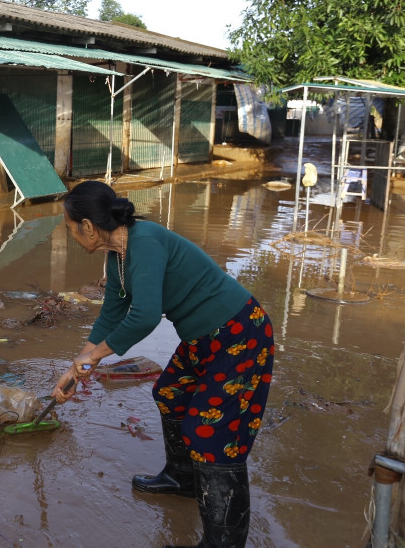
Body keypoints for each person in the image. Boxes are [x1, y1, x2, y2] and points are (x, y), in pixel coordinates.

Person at [53, 180, 274, 548]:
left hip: (237, 333)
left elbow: (144, 316)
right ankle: (182, 478)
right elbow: (112, 315)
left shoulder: (146, 242)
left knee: (211, 433)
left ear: (88, 226)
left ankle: (224, 542)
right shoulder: (118, 255)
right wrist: (75, 366)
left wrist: (93, 357)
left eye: (69, 227)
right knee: (171, 393)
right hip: (202, 337)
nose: (71, 234)